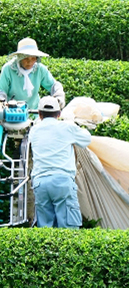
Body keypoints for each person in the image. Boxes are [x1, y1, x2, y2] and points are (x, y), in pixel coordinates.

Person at [29, 96, 91, 228]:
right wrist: (73, 123)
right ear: (59, 114)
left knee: (45, 231)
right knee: (68, 230)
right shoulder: (67, 127)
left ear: (40, 114)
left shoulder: (34, 131)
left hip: (40, 183)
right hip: (62, 181)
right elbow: (86, 139)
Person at [0, 37, 65, 111]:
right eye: (26, 58)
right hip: (12, 112)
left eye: (33, 58)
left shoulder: (39, 69)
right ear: (20, 58)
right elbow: (1, 90)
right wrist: (2, 103)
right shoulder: (8, 69)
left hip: (35, 112)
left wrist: (58, 97)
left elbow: (54, 85)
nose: (29, 62)